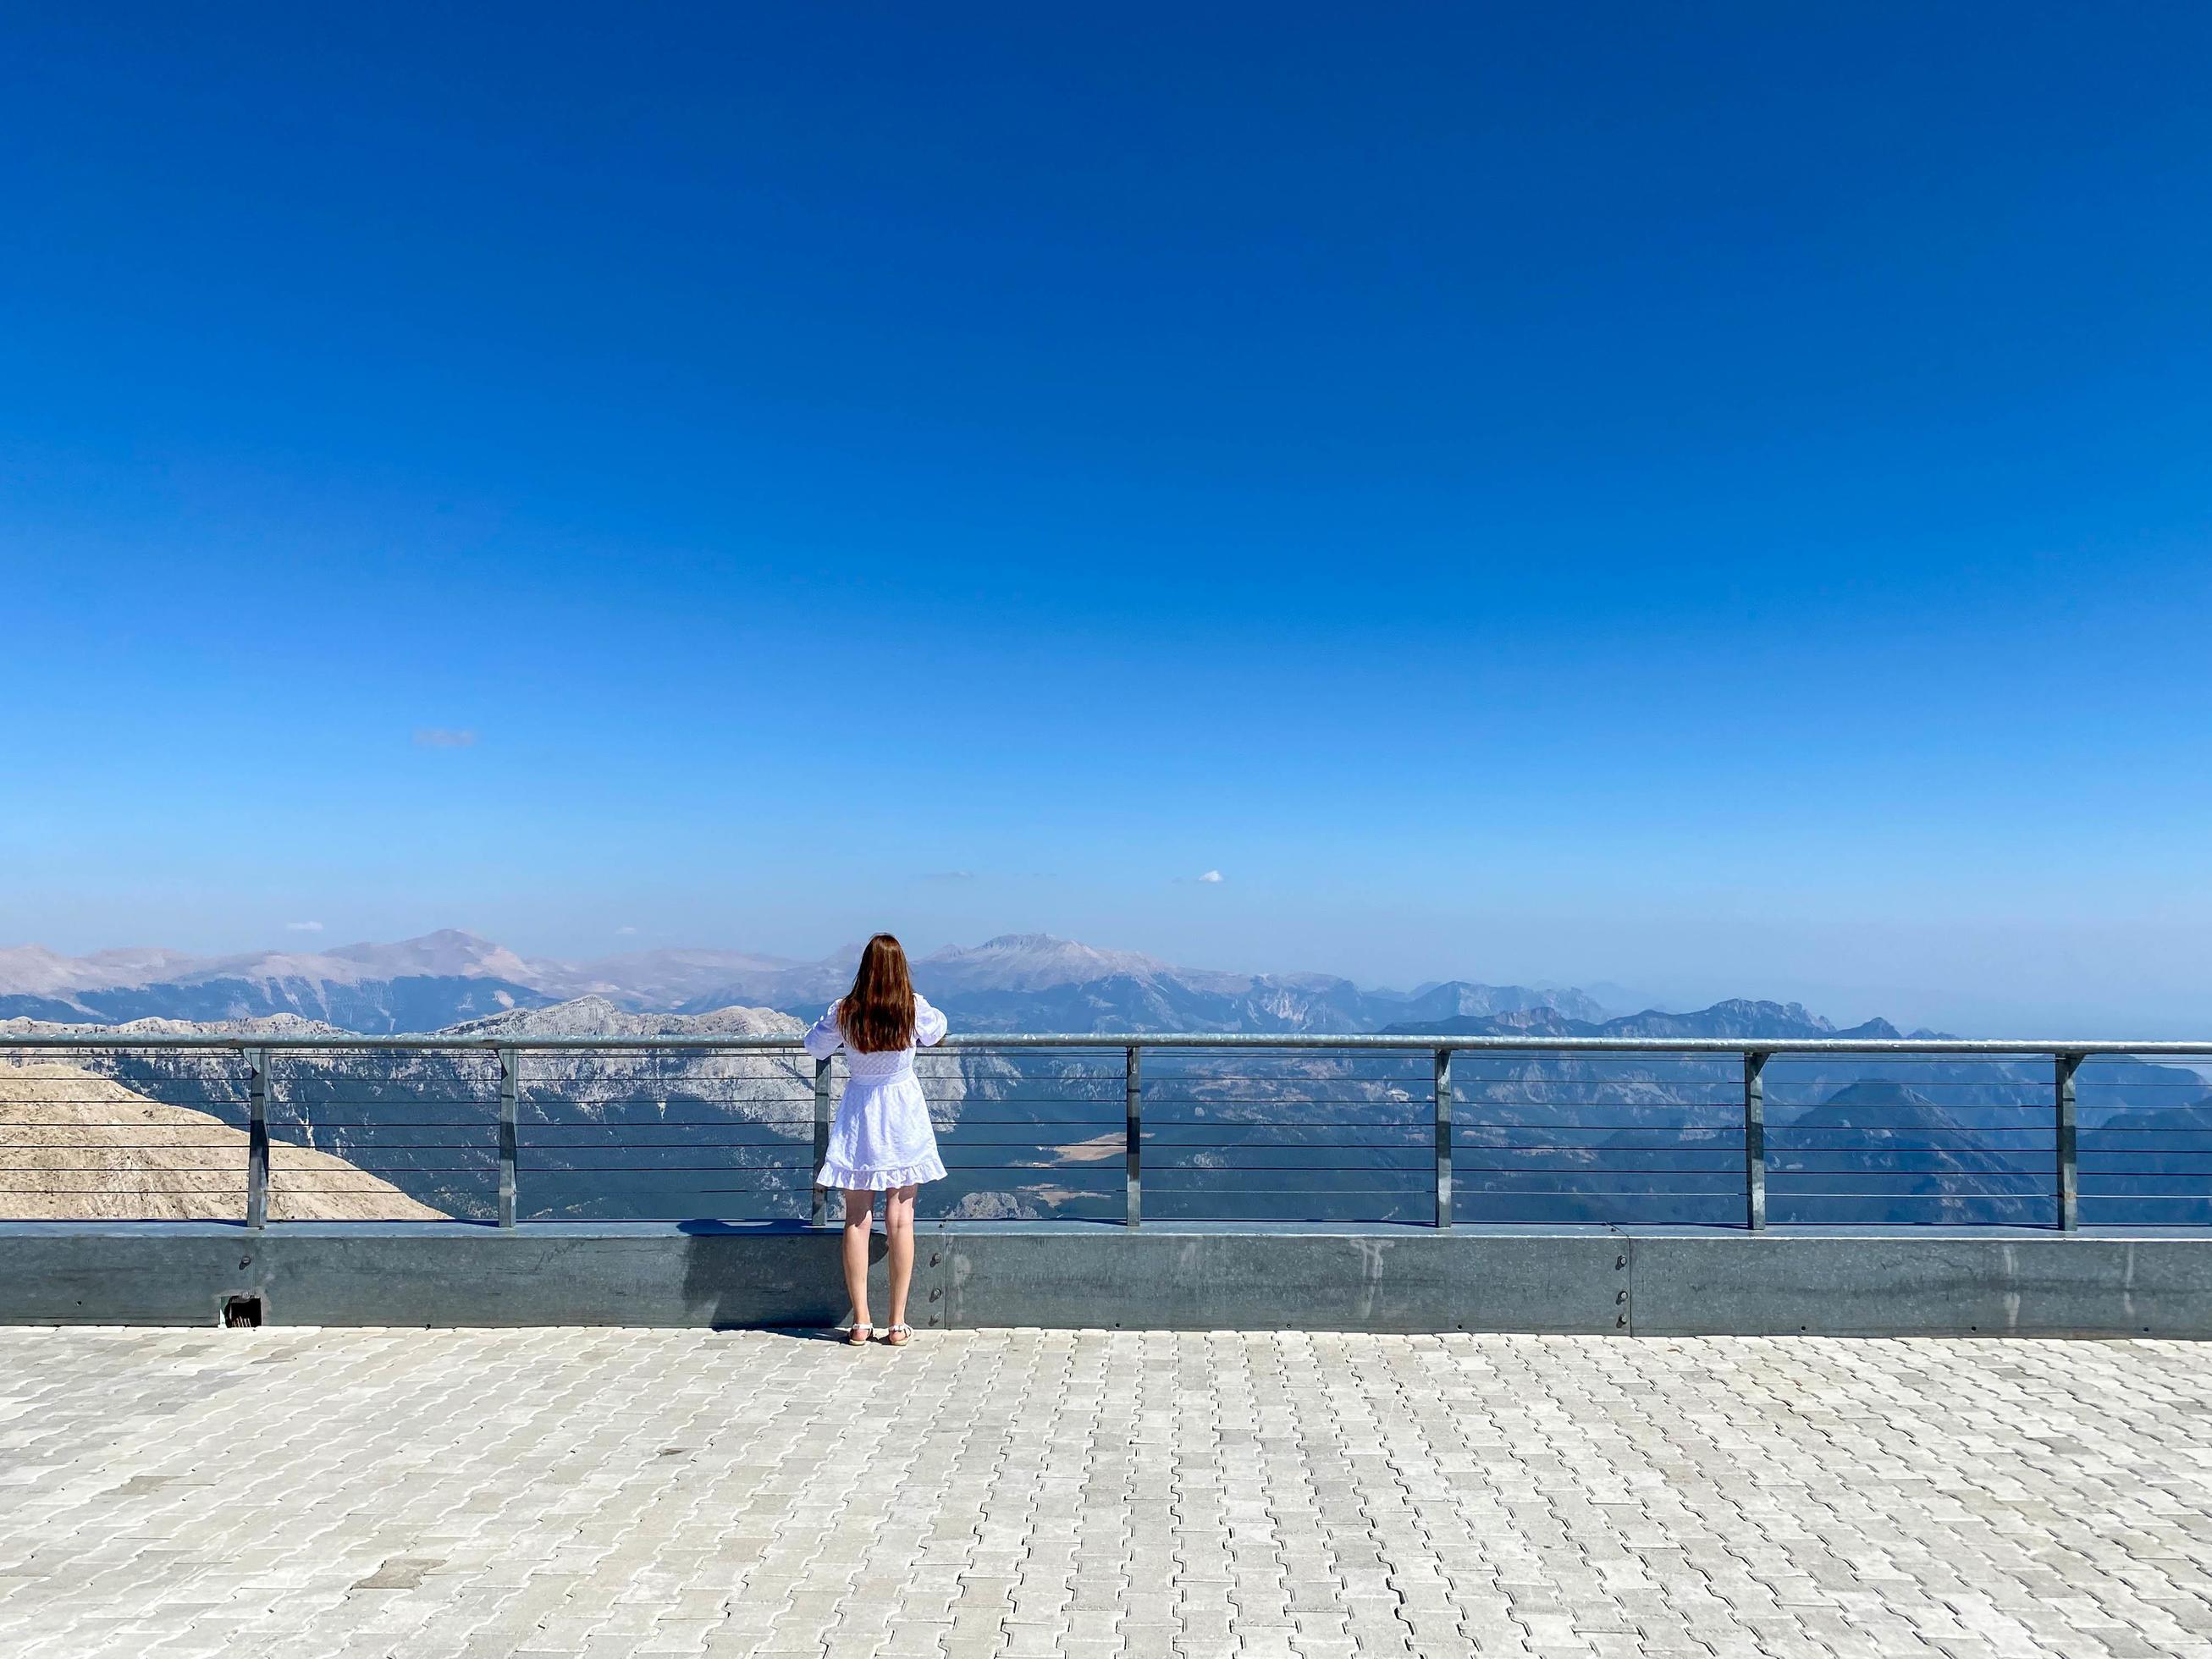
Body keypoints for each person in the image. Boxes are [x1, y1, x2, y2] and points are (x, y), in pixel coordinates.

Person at [805, 933, 948, 1346]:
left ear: (864, 967)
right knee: (901, 1217)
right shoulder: (912, 1008)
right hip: (902, 1110)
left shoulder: (845, 1010)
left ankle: (860, 1322)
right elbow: (938, 1031)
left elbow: (815, 1046)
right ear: (901, 967)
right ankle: (898, 1322)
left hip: (860, 1111)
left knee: (856, 1218)